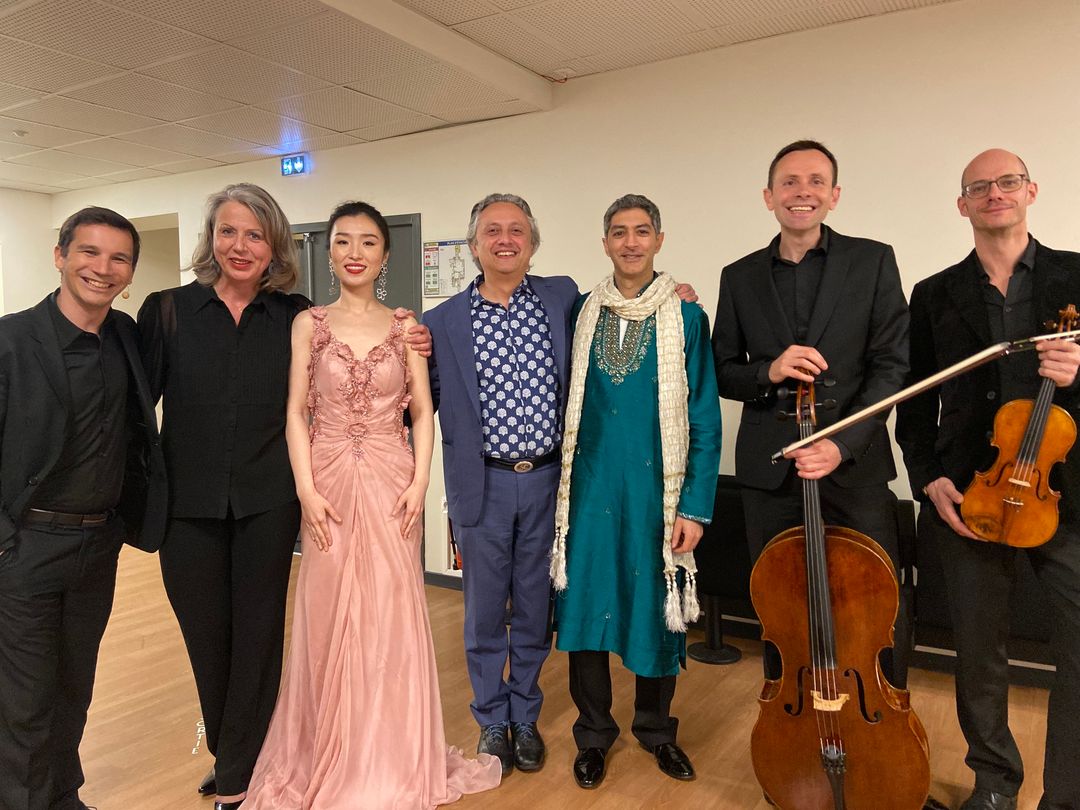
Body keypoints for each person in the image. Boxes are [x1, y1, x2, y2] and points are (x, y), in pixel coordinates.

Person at [244, 201, 500, 807]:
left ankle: (388, 752)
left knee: (388, 612)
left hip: (391, 478)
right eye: (342, 242)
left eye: (367, 242)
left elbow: (421, 410)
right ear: (329, 252)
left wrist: (420, 483)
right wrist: (306, 488)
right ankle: (324, 749)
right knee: (328, 614)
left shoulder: (406, 327)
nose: (354, 253)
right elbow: (295, 412)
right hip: (328, 477)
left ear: (385, 255)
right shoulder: (309, 324)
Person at [896, 148, 1080, 810]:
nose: (994, 193)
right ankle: (995, 786)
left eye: (1006, 182)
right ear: (962, 204)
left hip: (1066, 500)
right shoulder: (934, 293)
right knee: (979, 654)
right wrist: (926, 480)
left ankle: (1067, 795)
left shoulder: (1076, 277)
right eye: (979, 187)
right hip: (969, 496)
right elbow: (914, 402)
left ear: (1030, 189)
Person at [712, 139, 911, 686]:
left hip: (854, 467)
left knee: (874, 608)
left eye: (816, 182)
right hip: (770, 472)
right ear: (768, 196)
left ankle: (881, 720)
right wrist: (768, 371)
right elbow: (723, 370)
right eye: (790, 183)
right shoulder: (740, 275)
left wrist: (842, 443)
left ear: (834, 195)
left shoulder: (873, 260)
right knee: (781, 611)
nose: (803, 192)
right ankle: (791, 720)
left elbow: (892, 367)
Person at [550, 194, 721, 789]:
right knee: (586, 609)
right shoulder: (580, 311)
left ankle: (656, 730)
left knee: (657, 611)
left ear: (659, 240)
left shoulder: (686, 316)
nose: (629, 242)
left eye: (641, 232)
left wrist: (696, 506)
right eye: (618, 232)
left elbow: (704, 414)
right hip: (590, 489)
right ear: (604, 243)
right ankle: (593, 734)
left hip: (658, 493)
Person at [0, 207, 167, 810]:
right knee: (24, 699)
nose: (103, 268)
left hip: (97, 544)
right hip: (26, 548)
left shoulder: (125, 335)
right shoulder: (10, 340)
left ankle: (63, 797)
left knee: (74, 686)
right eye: (89, 253)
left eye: (118, 258)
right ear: (60, 255)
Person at [422, 193, 575, 776]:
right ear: (473, 245)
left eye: (516, 230)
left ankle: (526, 713)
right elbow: (415, 402)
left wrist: (676, 291)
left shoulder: (562, 298)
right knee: (484, 608)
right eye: (492, 230)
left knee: (536, 604)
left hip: (547, 480)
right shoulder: (440, 324)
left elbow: (623, 309)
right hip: (479, 484)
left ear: (532, 242)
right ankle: (491, 715)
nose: (505, 239)